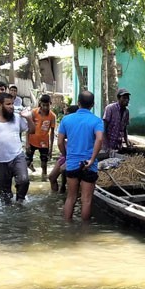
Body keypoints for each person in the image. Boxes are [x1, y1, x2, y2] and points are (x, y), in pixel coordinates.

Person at [57, 91, 104, 221]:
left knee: (71, 198)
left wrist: (66, 156)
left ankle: (67, 228)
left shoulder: (66, 119)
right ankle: (84, 232)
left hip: (72, 164)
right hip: (89, 164)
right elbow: (99, 140)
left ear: (78, 103)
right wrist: (92, 159)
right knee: (86, 200)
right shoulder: (97, 121)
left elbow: (60, 142)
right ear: (93, 105)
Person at [0, 92, 35, 204]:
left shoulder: (17, 118)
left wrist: (28, 118)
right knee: (4, 196)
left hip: (17, 156)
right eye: (8, 104)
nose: (11, 106)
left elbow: (32, 130)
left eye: (12, 104)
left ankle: (20, 201)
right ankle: (8, 218)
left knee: (24, 180)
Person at [49, 104, 78, 193]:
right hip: (66, 155)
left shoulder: (77, 125)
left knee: (57, 177)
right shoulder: (67, 123)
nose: (65, 116)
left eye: (67, 114)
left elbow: (60, 142)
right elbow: (61, 140)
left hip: (73, 156)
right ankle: (56, 195)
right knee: (52, 177)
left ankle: (61, 194)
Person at [26, 94, 56, 179]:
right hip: (32, 141)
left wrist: (51, 148)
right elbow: (28, 128)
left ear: (50, 104)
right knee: (26, 162)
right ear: (40, 104)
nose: (45, 107)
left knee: (44, 163)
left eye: (47, 105)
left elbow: (52, 133)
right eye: (43, 105)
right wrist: (27, 143)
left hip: (44, 143)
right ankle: (30, 166)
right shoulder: (34, 112)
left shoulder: (52, 116)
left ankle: (44, 178)